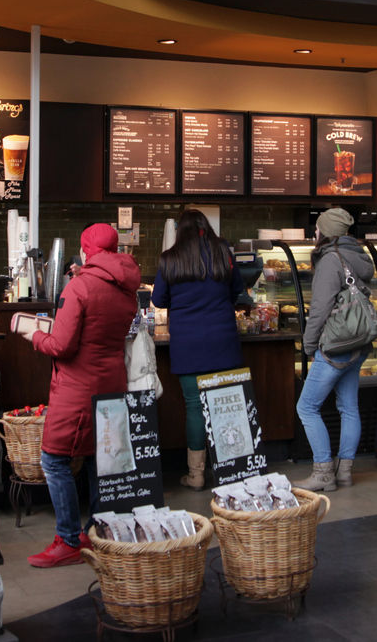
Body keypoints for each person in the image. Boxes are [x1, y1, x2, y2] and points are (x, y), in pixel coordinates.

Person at [14, 223, 139, 567]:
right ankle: (98, 531)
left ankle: (68, 538)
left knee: (54, 460)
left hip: (78, 389)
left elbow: (62, 345)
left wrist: (32, 334)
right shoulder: (127, 288)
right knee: (100, 462)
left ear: (85, 251)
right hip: (112, 383)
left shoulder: (80, 286)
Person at [151, 209, 244, 490]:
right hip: (223, 341)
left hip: (188, 343)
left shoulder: (170, 259)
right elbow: (237, 289)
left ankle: (196, 474)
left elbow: (157, 299)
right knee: (224, 405)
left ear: (180, 231)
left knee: (195, 407)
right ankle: (230, 470)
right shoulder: (224, 254)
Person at [296, 208, 376, 491]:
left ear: (325, 231)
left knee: (306, 407)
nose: (314, 233)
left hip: (335, 346)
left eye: (317, 229)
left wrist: (308, 344)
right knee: (349, 408)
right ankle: (345, 471)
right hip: (359, 343)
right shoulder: (359, 255)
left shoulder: (331, 260)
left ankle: (323, 473)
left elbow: (320, 310)